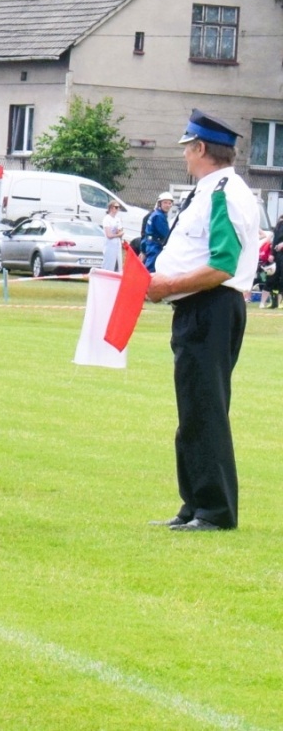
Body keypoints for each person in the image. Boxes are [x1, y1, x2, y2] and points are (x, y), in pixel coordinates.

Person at [146, 111, 260, 532]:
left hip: (210, 306)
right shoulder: (213, 190)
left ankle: (214, 510)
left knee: (205, 409)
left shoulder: (222, 193)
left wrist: (166, 284)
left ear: (200, 149)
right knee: (194, 407)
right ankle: (194, 504)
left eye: (187, 149)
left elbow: (223, 264)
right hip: (200, 307)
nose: (184, 158)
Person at [142, 193, 173, 270]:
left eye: (169, 203)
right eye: (165, 202)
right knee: (152, 268)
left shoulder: (155, 214)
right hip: (155, 246)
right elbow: (166, 234)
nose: (168, 205)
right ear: (159, 203)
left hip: (151, 244)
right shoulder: (159, 216)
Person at [101, 200, 125, 272]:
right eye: (116, 207)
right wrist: (118, 234)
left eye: (118, 207)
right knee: (108, 264)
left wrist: (118, 234)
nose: (118, 209)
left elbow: (120, 230)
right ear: (111, 208)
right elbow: (109, 235)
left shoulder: (117, 219)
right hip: (109, 245)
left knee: (119, 264)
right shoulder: (107, 219)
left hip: (117, 244)